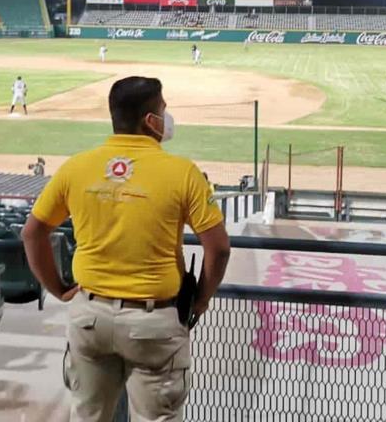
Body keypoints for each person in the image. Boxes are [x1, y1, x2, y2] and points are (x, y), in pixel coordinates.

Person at [21, 76, 231, 422]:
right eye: (163, 109)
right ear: (150, 121)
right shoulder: (183, 172)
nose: (167, 116)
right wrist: (202, 299)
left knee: (88, 416)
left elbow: (32, 234)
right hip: (154, 323)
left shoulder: (77, 167)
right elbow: (219, 248)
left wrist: (59, 289)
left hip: (88, 316)